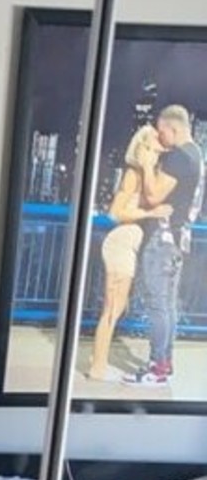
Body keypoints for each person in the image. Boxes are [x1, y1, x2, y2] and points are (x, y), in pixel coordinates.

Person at [122, 104, 205, 388]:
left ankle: (157, 367)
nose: (160, 137)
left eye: (162, 132)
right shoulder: (197, 155)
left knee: (158, 305)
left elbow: (154, 196)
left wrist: (147, 165)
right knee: (168, 306)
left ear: (173, 128)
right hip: (179, 240)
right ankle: (164, 364)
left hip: (163, 239)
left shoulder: (179, 157)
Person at [87, 125, 171, 382]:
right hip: (121, 244)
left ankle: (97, 360)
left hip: (130, 248)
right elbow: (115, 213)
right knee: (112, 308)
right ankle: (97, 367)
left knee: (118, 308)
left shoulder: (150, 175)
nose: (160, 141)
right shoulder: (133, 173)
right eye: (155, 140)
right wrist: (150, 213)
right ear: (143, 145)